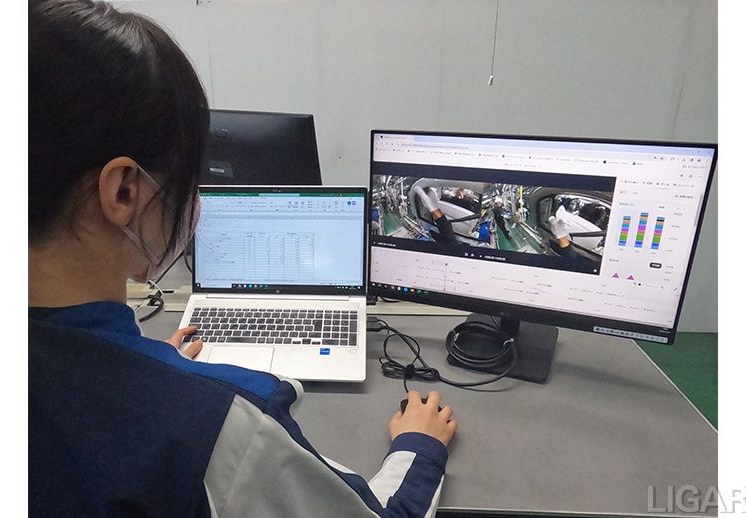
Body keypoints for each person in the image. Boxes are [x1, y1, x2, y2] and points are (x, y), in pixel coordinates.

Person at [28, 1, 458, 517]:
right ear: (123, 191)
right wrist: (419, 446)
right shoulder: (218, 420)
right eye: (192, 178)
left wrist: (140, 363)